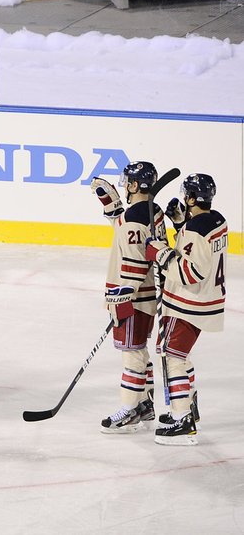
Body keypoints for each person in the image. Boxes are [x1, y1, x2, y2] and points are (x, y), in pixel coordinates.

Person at [144, 173, 226, 446]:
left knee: (171, 357)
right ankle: (188, 408)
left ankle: (182, 421)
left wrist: (160, 252)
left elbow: (190, 271)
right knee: (179, 354)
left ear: (191, 198)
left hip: (187, 303)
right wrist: (180, 223)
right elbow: (196, 251)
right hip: (206, 302)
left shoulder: (195, 229)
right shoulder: (216, 221)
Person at [89, 162, 165, 434]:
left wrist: (123, 294)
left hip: (132, 298)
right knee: (138, 350)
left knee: (131, 353)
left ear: (134, 185)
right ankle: (145, 404)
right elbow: (129, 233)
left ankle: (130, 409)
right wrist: (113, 208)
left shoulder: (136, 217)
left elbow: (133, 258)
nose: (123, 185)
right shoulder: (152, 210)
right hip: (145, 296)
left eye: (126, 182)